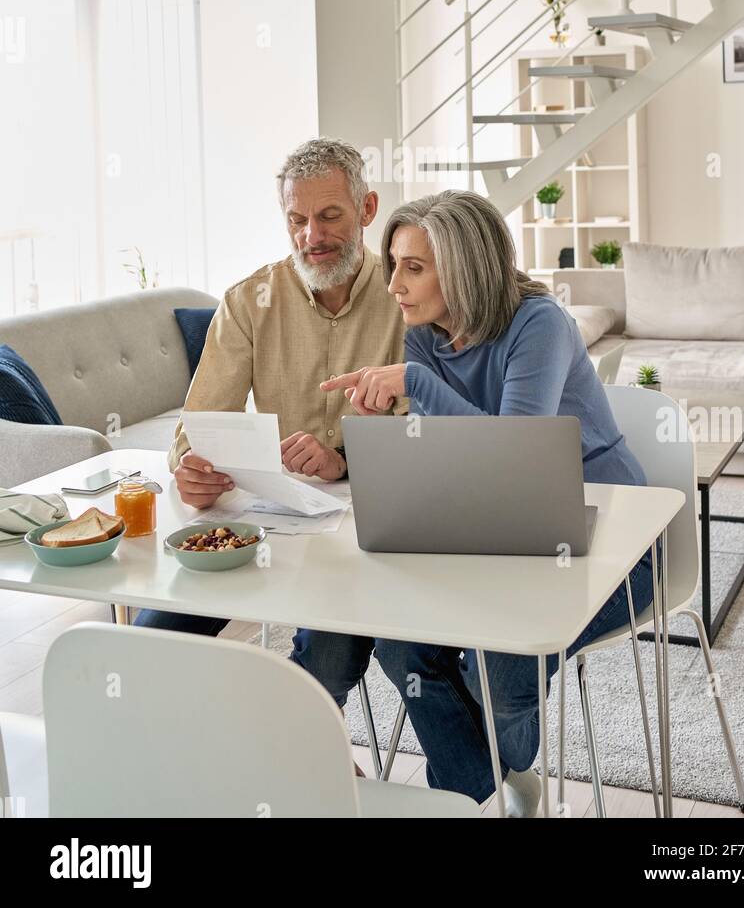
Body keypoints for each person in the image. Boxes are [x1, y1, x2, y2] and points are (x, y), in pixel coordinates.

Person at [322, 189, 657, 816]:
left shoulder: (540, 323)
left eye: (413, 267)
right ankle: (473, 798)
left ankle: (501, 767)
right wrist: (381, 439)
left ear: (465, 267)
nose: (393, 283)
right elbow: (460, 460)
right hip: (496, 530)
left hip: (614, 538)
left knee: (497, 663)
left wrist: (415, 385)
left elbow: (514, 455)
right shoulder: (423, 333)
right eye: (393, 262)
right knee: (401, 645)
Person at [135, 137, 405, 713]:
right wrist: (192, 467)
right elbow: (197, 425)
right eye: (297, 220)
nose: (313, 236)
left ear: (366, 209)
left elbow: (437, 434)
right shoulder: (248, 301)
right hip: (269, 521)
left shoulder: (408, 295)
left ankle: (294, 751)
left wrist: (344, 460)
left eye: (330, 215)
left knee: (324, 662)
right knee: (150, 638)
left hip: (370, 531)